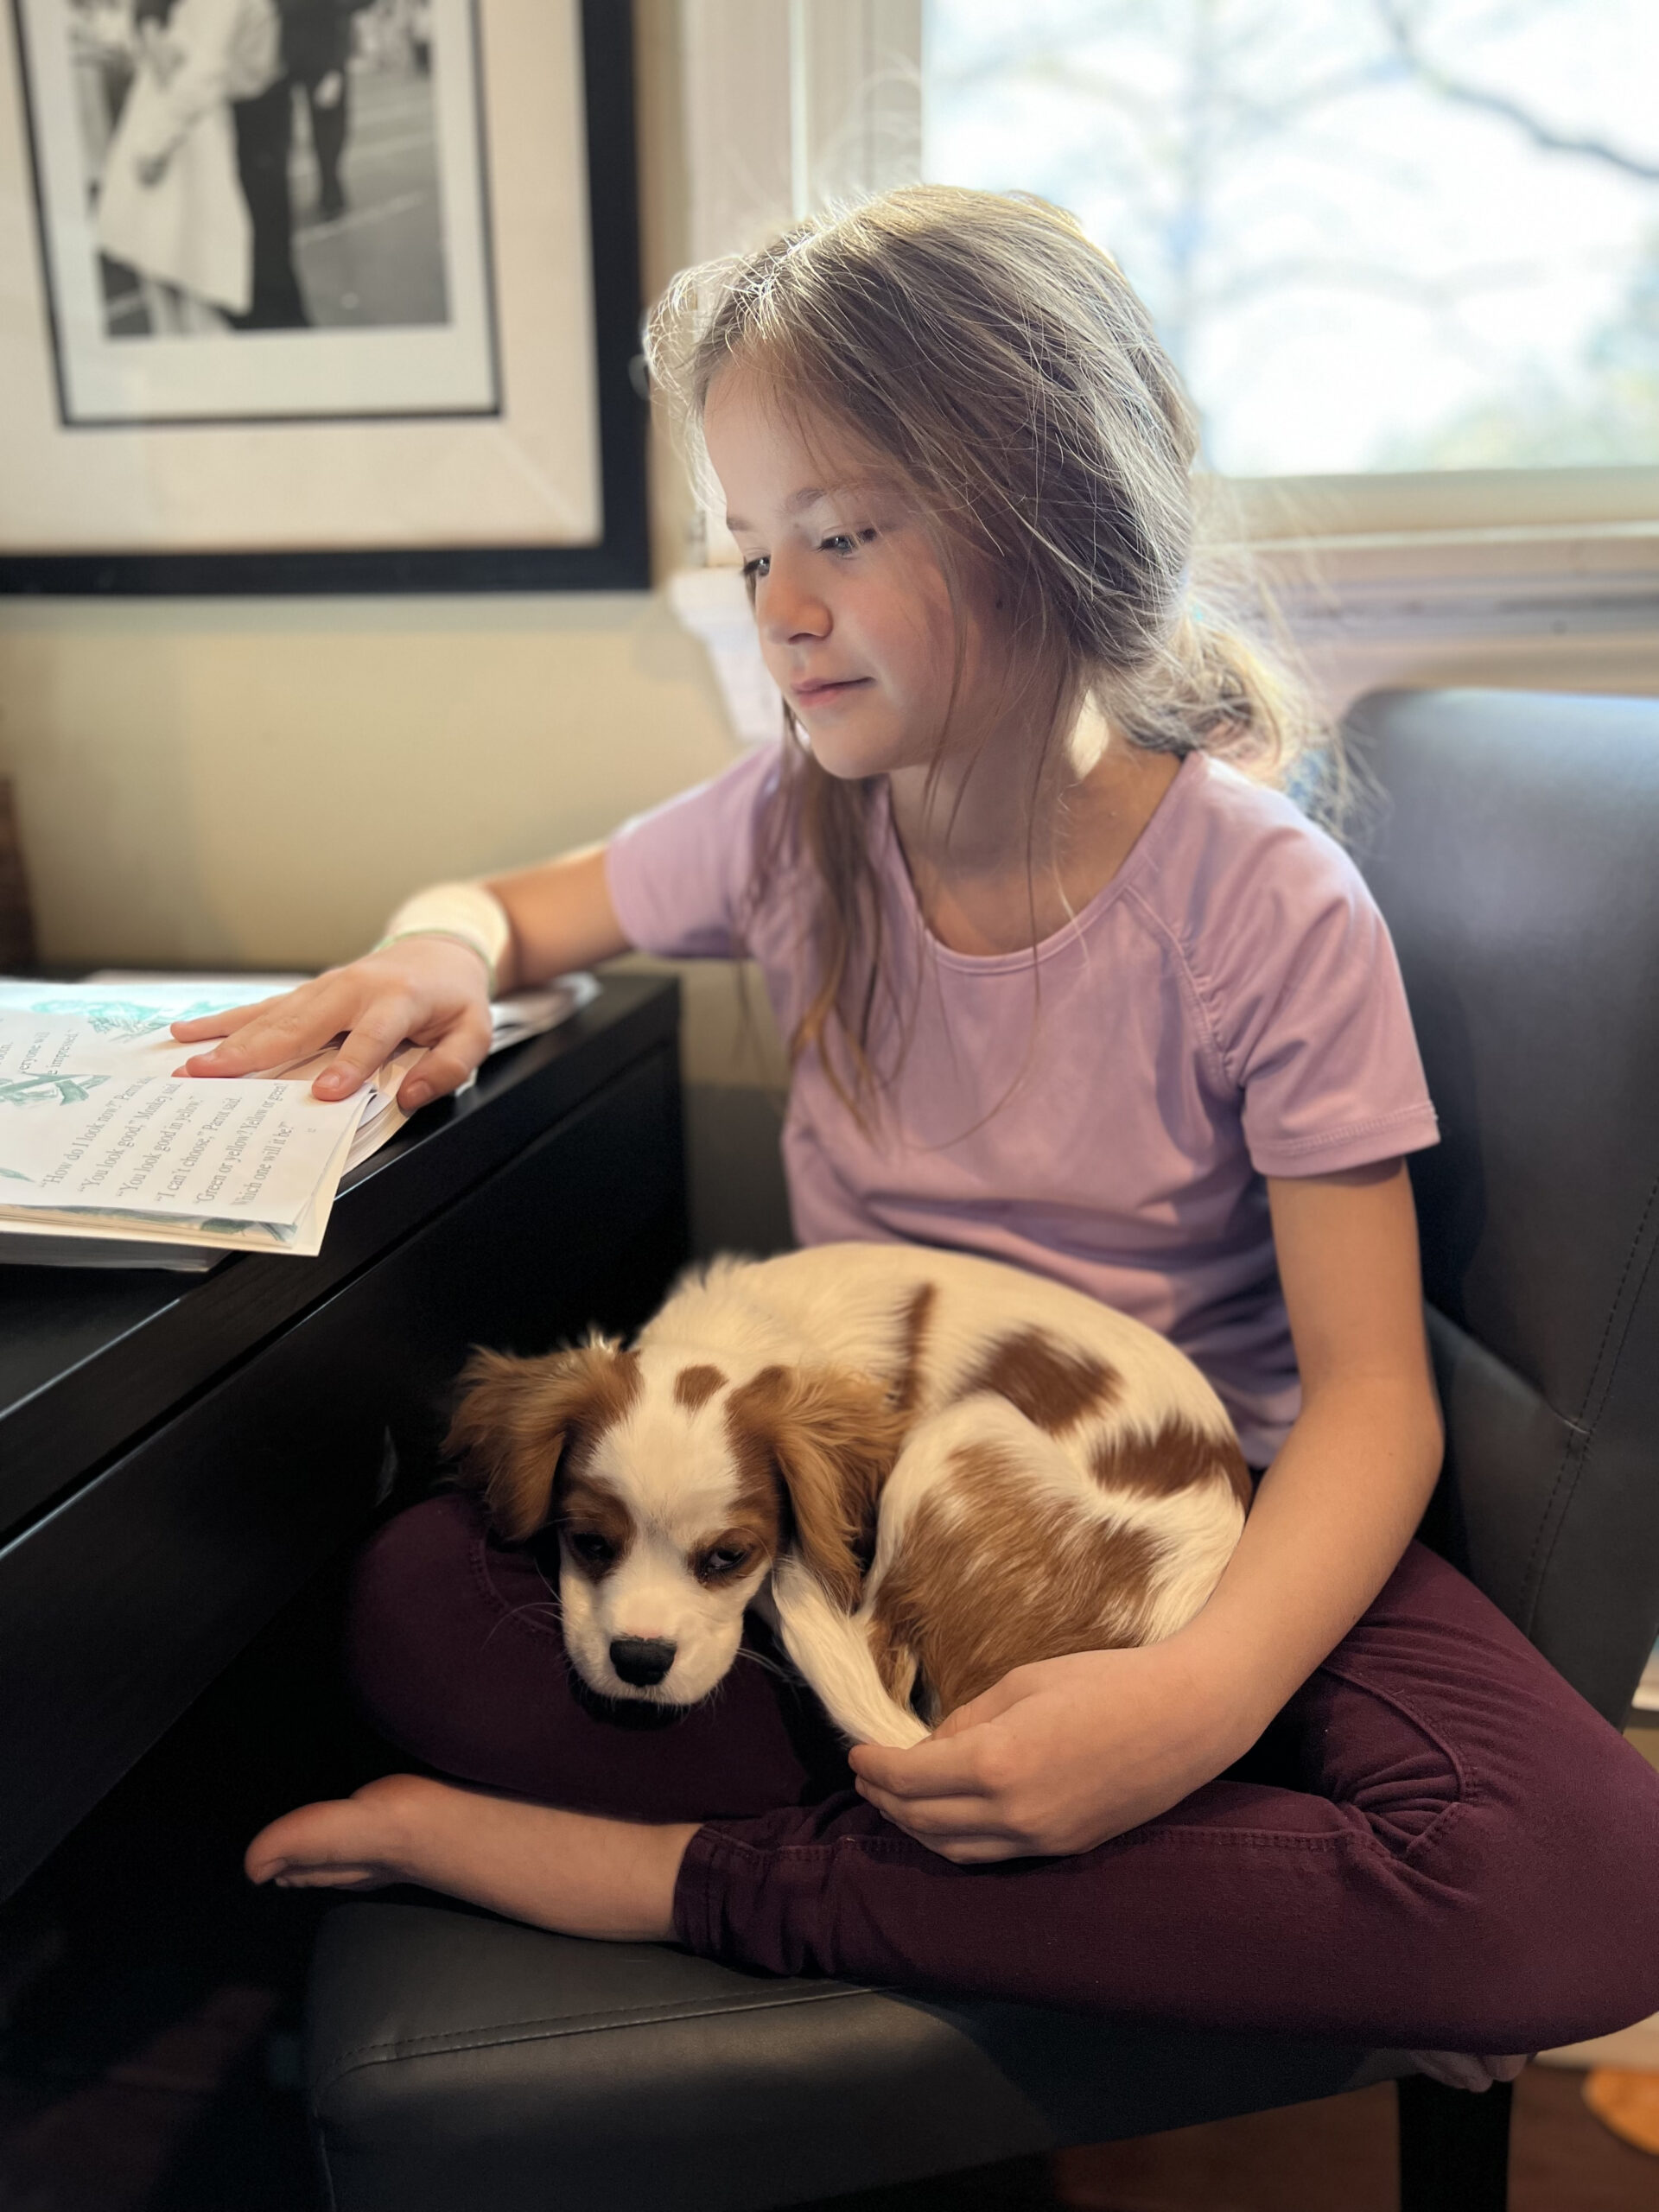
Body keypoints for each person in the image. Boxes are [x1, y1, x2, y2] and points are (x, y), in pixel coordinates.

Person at [179, 189, 1659, 2078]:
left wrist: (1199, 1701)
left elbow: (1375, 1399)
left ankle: (672, 1879)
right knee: (411, 1606)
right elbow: (507, 909)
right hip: (830, 1526)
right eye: (750, 550)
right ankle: (1100, 1868)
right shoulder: (789, 824)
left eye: (842, 534)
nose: (779, 608)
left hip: (1196, 1510)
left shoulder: (1263, 904)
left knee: (1587, 1883)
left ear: (1054, 516)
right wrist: (430, 953)